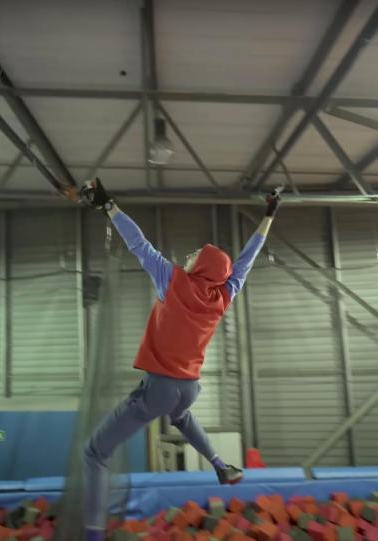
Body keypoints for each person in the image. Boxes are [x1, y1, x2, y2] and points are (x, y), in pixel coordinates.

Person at [79, 179, 280, 541]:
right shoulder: (224, 295)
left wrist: (110, 206)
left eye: (193, 255)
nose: (187, 257)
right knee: (181, 417)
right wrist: (269, 215)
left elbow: (138, 243)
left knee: (94, 453)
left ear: (200, 265)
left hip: (160, 386)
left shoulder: (172, 280)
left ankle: (93, 535)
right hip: (189, 388)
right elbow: (247, 258)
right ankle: (221, 466)